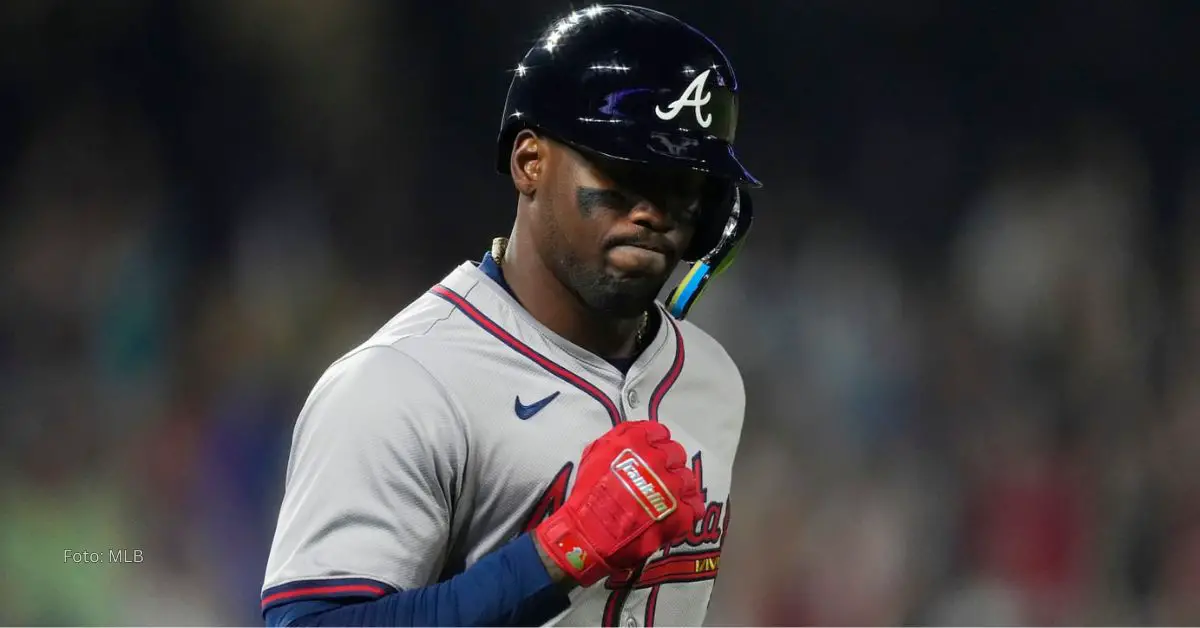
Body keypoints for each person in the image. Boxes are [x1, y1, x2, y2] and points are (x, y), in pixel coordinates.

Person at [260, 4, 761, 626]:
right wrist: (562, 551)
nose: (653, 211)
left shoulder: (711, 381)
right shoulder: (401, 384)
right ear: (529, 162)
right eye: (625, 170)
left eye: (683, 184)